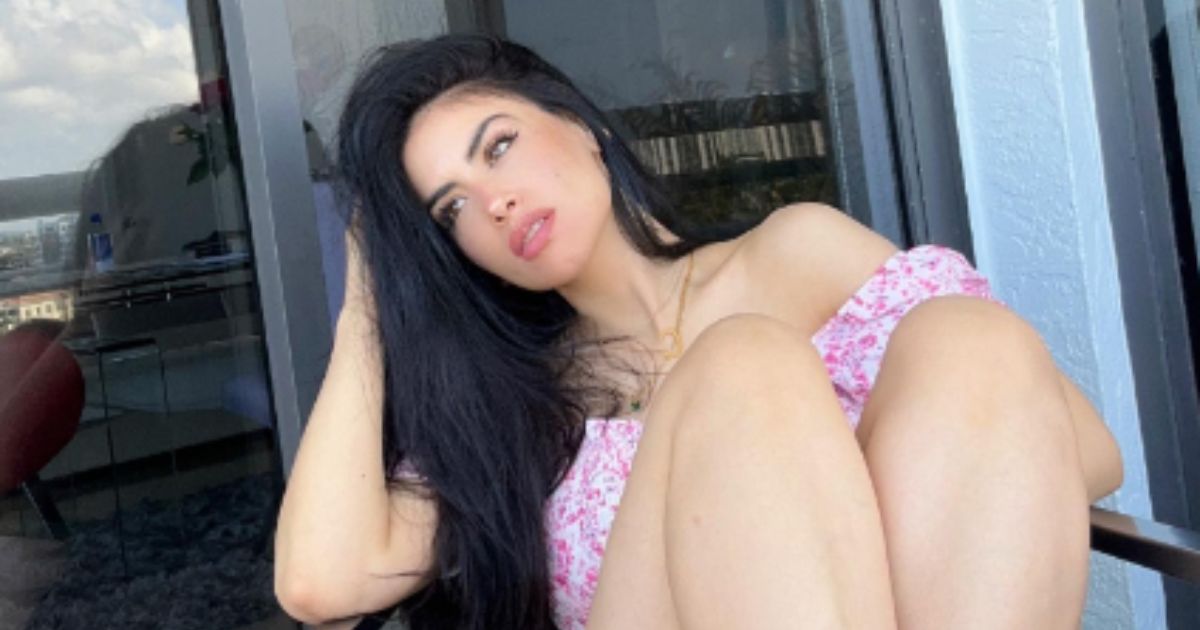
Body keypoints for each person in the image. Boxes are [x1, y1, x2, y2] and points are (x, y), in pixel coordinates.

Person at [273, 34, 1124, 630]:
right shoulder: (509, 408)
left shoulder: (796, 254)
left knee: (967, 337)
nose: (491, 202)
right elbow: (319, 581)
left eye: (497, 148)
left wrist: (815, 511)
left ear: (584, 128)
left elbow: (1081, 446)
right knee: (743, 365)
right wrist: (368, 304)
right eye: (451, 209)